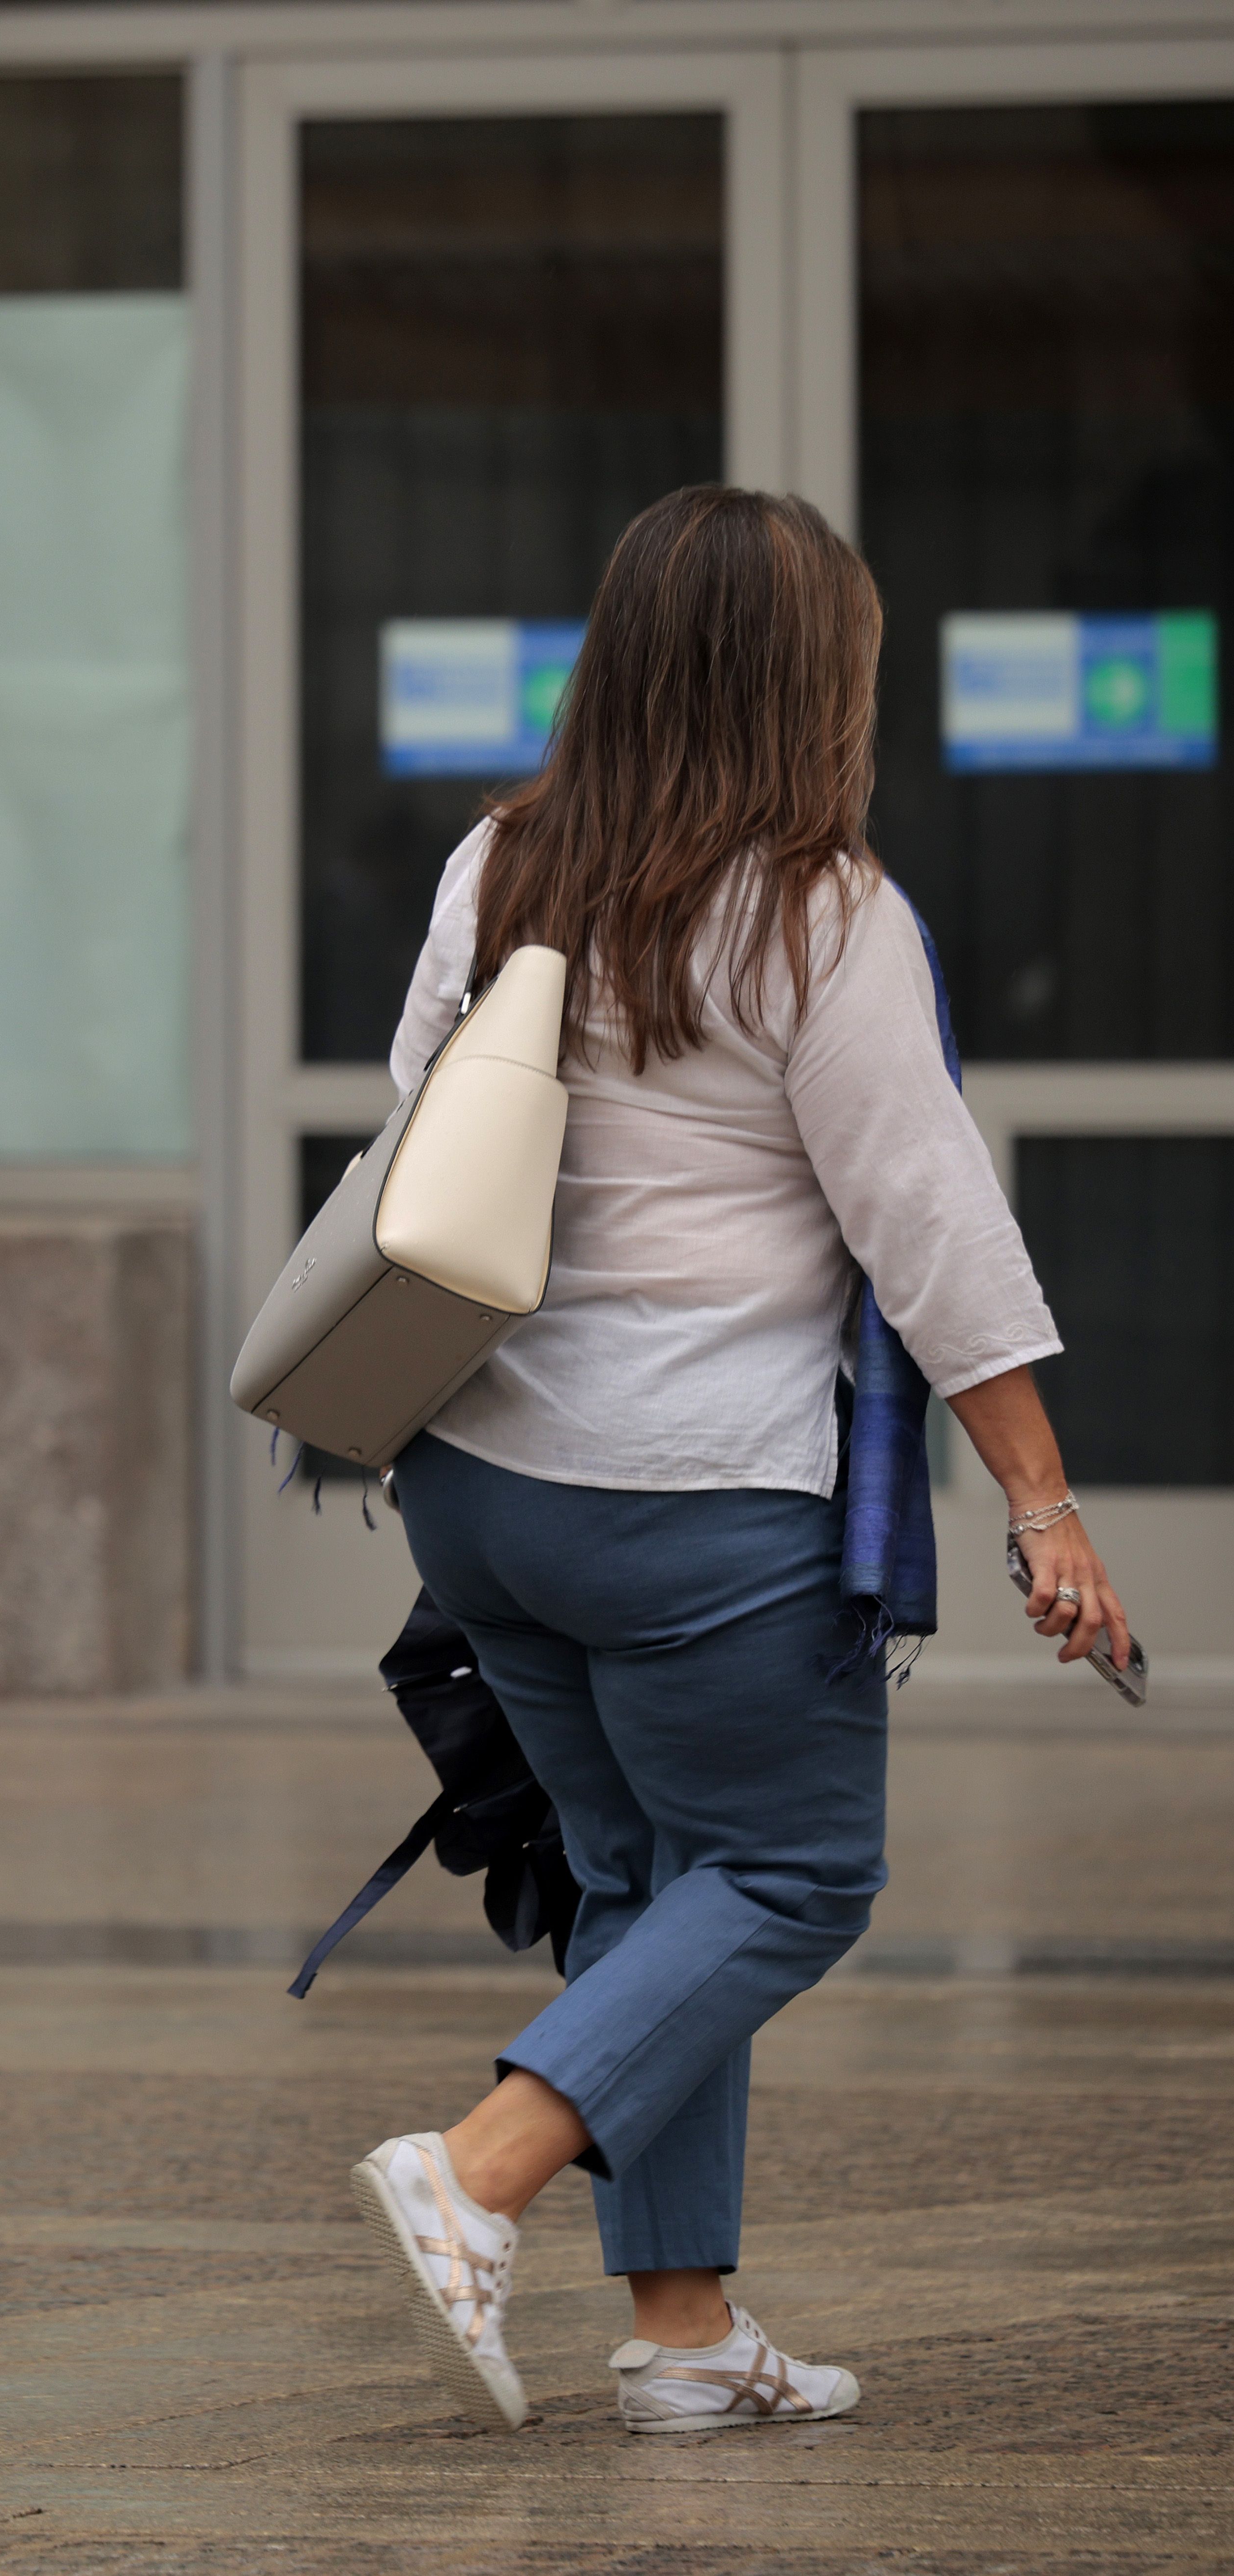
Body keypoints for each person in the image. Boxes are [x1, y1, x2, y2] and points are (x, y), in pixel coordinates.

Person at [350, 486, 1137, 2437]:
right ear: (813, 683)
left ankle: (687, 2340)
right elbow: (926, 1224)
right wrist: (1043, 1500)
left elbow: (408, 1136)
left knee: (647, 1884)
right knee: (790, 1870)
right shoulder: (817, 909)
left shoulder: (496, 864)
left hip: (480, 1487)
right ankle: (481, 2167)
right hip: (697, 1503)